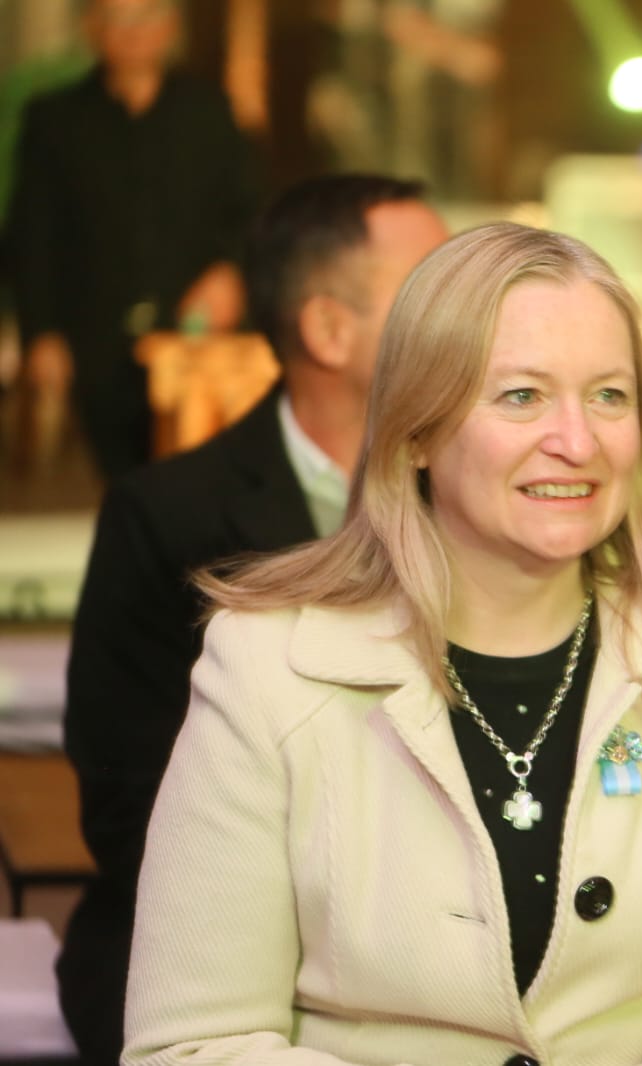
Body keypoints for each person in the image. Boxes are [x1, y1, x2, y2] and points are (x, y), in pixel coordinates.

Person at [122, 223, 642, 1065]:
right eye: (522, 396)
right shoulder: (267, 665)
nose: (578, 441)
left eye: (609, 396)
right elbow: (196, 1044)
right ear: (416, 433)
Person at [58, 174, 448, 1065]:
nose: (472, 315)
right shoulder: (168, 515)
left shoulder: (480, 503)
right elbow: (127, 801)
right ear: (327, 329)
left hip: (449, 942)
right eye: (433, 287)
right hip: (206, 933)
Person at [6, 0, 260, 478]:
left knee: (198, 476)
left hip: (194, 337)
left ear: (170, 26)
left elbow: (251, 211)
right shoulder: (54, 120)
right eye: (118, 19)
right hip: (96, 341)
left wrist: (231, 272)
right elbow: (32, 235)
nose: (134, 32)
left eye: (147, 17)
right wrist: (41, 332)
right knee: (124, 481)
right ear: (92, 28)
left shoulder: (210, 111)